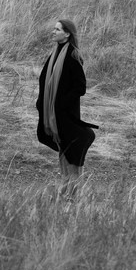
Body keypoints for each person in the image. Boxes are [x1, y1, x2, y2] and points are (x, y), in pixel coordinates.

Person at [35, 19, 98, 197]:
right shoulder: (55, 53)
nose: (53, 32)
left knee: (72, 154)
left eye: (57, 29)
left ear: (67, 33)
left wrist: (62, 103)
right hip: (54, 116)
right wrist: (42, 103)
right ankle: (66, 191)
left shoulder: (72, 56)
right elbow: (44, 82)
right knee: (64, 152)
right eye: (54, 29)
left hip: (66, 116)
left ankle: (74, 194)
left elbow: (80, 87)